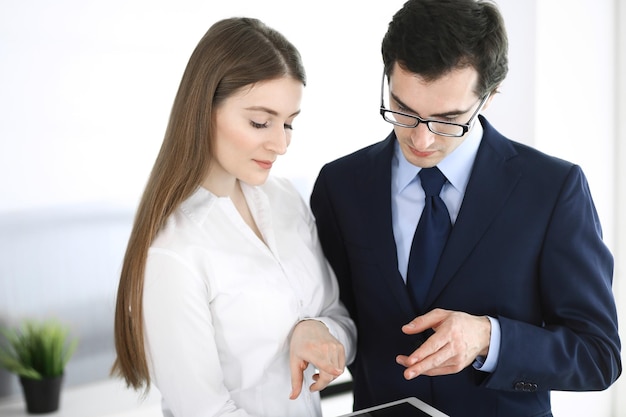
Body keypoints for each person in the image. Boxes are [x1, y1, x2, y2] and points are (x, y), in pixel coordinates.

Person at [310, 1, 621, 416]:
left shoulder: (552, 189)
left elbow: (598, 355)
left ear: (490, 96)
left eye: (447, 119)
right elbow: (333, 311)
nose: (421, 140)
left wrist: (488, 339)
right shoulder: (340, 184)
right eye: (402, 111)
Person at [112, 17, 356, 417]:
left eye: (290, 123)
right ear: (204, 110)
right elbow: (204, 411)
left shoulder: (283, 199)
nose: (281, 143)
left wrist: (319, 333)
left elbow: (340, 318)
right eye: (260, 122)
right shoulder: (174, 251)